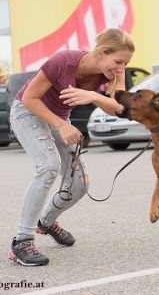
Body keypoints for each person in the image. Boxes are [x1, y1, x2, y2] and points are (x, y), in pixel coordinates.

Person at [8, 28, 135, 266]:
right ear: (101, 52)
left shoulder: (113, 73)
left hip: (59, 118)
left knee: (80, 183)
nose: (121, 68)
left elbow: (119, 108)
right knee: (49, 166)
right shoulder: (63, 61)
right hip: (28, 112)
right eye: (118, 61)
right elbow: (29, 99)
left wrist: (94, 97)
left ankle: (45, 222)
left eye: (125, 63)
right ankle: (21, 242)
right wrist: (61, 125)